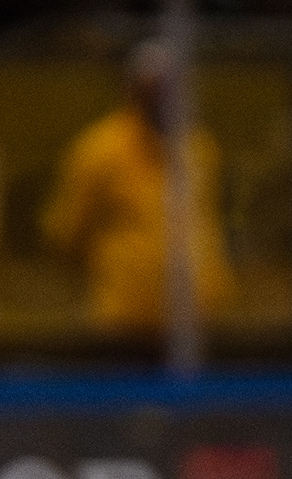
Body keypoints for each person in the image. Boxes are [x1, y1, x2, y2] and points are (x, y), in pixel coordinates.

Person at [38, 39, 230, 339]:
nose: (164, 98)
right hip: (126, 319)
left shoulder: (198, 146)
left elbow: (206, 223)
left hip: (196, 316)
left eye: (172, 88)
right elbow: (67, 232)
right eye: (154, 88)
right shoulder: (100, 150)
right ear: (133, 90)